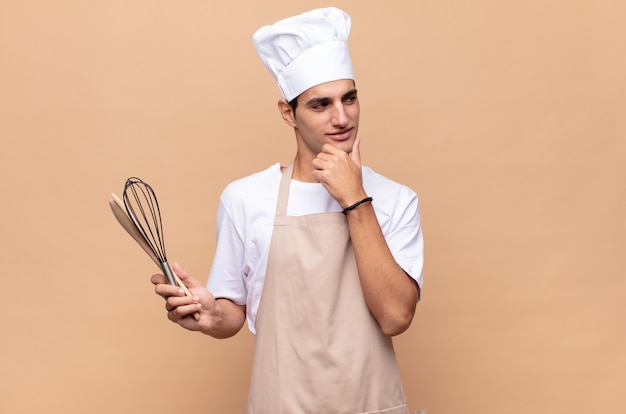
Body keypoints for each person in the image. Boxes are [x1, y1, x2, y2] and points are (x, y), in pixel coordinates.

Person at [152, 7, 424, 414]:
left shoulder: (395, 199)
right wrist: (210, 316)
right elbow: (233, 314)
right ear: (287, 113)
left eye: (349, 98)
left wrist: (355, 199)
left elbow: (395, 317)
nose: (342, 117)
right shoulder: (245, 199)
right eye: (320, 105)